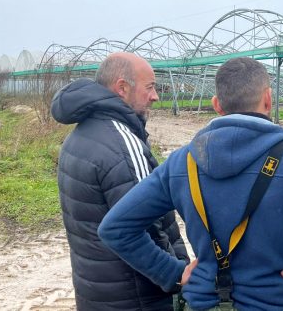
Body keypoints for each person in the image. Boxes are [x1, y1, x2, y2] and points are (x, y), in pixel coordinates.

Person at [98, 57, 283, 310]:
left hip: (206, 303)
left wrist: (171, 272)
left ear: (216, 105)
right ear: (268, 100)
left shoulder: (182, 162)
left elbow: (116, 228)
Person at [51, 52, 189, 310]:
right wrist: (177, 275)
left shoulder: (80, 135)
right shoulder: (122, 144)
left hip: (97, 290)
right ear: (122, 88)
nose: (155, 96)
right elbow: (149, 227)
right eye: (149, 87)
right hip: (135, 297)